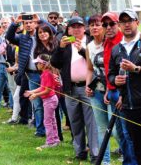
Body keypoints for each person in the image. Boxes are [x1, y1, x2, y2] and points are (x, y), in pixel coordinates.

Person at [51, 17, 98, 163]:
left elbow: (96, 61)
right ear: (69, 29)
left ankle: (95, 153)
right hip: (70, 88)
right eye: (73, 27)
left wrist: (82, 50)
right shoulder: (65, 43)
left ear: (84, 28)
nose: (76, 29)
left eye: (79, 26)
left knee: (92, 122)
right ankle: (80, 151)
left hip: (87, 87)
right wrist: (60, 48)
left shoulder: (91, 41)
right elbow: (54, 63)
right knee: (75, 122)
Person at [6, 13, 56, 137]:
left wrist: (41, 19)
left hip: (46, 73)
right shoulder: (23, 38)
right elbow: (9, 37)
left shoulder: (42, 36)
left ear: (35, 24)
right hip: (31, 74)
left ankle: (53, 129)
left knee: (51, 101)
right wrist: (15, 23)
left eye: (30, 22)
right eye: (26, 23)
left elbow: (53, 31)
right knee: (37, 103)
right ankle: (40, 130)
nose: (28, 25)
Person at [102, 11, 137, 164]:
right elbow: (110, 74)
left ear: (137, 22)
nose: (126, 24)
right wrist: (115, 81)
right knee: (129, 139)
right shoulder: (116, 48)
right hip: (125, 103)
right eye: (123, 22)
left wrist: (136, 69)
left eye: (129, 20)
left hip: (138, 101)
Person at [85, 14, 111, 164]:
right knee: (102, 128)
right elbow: (89, 69)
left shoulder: (110, 44)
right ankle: (105, 161)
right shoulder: (89, 46)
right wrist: (88, 86)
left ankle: (126, 155)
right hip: (96, 91)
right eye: (91, 25)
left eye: (97, 24)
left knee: (115, 129)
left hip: (112, 91)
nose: (94, 27)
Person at [24, 54, 60, 148]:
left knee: (47, 121)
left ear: (43, 64)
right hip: (51, 100)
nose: (36, 65)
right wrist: (31, 91)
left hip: (49, 100)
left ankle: (50, 142)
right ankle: (55, 140)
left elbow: (47, 90)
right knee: (52, 120)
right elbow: (42, 87)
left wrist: (35, 95)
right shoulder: (45, 73)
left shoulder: (47, 74)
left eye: (38, 63)